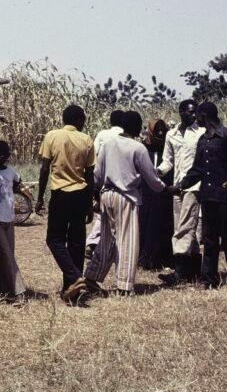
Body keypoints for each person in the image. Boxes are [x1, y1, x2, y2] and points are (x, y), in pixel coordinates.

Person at [83, 111, 168, 296]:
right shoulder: (138, 148)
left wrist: (95, 194)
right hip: (127, 197)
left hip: (107, 196)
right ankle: (124, 285)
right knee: (127, 241)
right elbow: (152, 178)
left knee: (107, 240)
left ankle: (91, 277)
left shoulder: (108, 144)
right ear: (136, 127)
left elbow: (97, 174)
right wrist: (166, 188)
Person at [176, 101, 227, 289]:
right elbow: (198, 169)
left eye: (198, 116)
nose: (196, 119)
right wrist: (181, 185)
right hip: (207, 196)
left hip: (225, 196)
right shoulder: (203, 139)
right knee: (209, 240)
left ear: (204, 115)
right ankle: (209, 279)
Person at [35, 105, 96, 302]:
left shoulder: (52, 136)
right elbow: (90, 175)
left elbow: (45, 169)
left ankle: (74, 278)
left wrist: (39, 197)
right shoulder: (86, 139)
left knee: (54, 239)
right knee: (77, 243)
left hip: (60, 194)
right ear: (79, 120)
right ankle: (73, 289)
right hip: (80, 194)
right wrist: (89, 203)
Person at [157, 99, 205, 283]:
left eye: (196, 112)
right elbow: (168, 160)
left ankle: (179, 271)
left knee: (186, 226)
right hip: (177, 186)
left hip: (194, 185)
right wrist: (158, 172)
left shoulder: (200, 133)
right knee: (182, 226)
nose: (194, 116)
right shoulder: (172, 134)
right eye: (190, 112)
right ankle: (193, 271)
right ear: (181, 112)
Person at [0, 140, 26, 302]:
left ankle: (3, 290)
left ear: (8, 156)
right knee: (7, 254)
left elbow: (17, 184)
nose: (1, 158)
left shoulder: (11, 172)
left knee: (7, 256)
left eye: (5, 155)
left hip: (9, 218)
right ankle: (19, 291)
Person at [86, 110, 126, 258]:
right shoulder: (125, 135)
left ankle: (93, 242)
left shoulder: (103, 134)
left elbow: (94, 153)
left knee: (104, 208)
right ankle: (95, 242)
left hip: (102, 174)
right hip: (119, 177)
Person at [139, 118, 174, 269]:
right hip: (147, 192)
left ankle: (164, 258)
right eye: (157, 129)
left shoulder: (167, 149)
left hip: (165, 191)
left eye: (162, 129)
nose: (160, 132)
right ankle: (147, 258)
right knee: (147, 224)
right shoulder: (144, 149)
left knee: (164, 225)